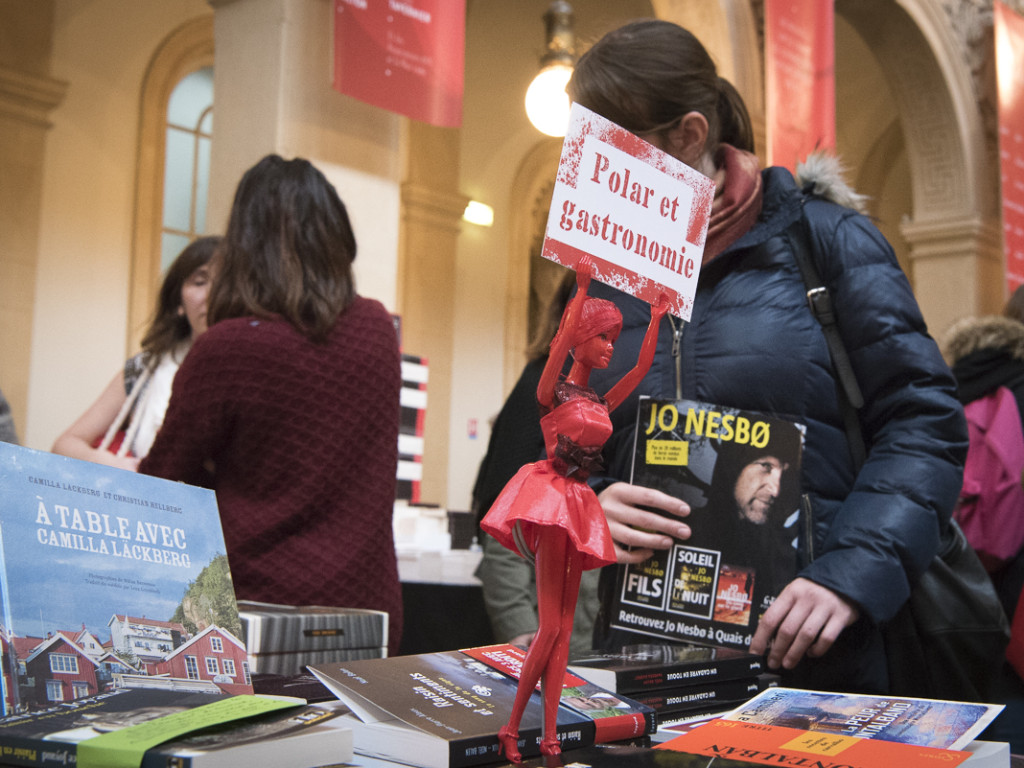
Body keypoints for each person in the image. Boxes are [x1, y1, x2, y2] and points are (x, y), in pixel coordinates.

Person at [566, 19, 967, 695]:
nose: (591, 172)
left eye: (610, 148)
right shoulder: (605, 272)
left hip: (815, 653)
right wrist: (588, 504)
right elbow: (564, 448)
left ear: (689, 136)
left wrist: (850, 576)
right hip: (647, 652)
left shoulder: (826, 240)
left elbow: (925, 422)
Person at [138, 155, 404, 655]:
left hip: (258, 615)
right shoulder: (376, 329)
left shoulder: (227, 347)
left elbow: (164, 486)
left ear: (244, 247)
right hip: (368, 612)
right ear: (336, 237)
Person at [480, 254, 668, 760]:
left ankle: (546, 733)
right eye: (603, 337)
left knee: (560, 628)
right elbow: (563, 342)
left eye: (613, 337)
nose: (611, 346)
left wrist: (654, 318)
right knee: (549, 626)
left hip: (579, 502)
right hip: (553, 498)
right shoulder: (551, 389)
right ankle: (516, 725)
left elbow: (641, 368)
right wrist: (583, 288)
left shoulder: (598, 400)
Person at [473, 271, 601, 658]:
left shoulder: (589, 391)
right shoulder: (548, 387)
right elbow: (507, 520)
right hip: (557, 630)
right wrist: (522, 628)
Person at [52, 237, 219, 470]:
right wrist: (130, 468)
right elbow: (65, 445)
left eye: (226, 282)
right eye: (200, 281)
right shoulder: (144, 370)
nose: (213, 294)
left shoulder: (258, 371)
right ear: (178, 303)